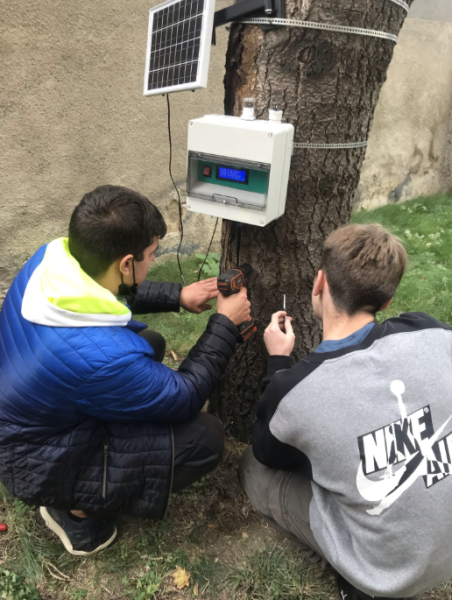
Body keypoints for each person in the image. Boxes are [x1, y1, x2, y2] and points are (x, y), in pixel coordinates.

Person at [0, 185, 250, 556]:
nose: (153, 261)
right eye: (152, 255)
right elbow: (185, 397)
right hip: (36, 462)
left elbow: (106, 292)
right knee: (205, 438)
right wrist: (225, 325)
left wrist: (176, 296)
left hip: (32, 421)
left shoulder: (52, 259)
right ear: (127, 264)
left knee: (149, 343)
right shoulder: (102, 359)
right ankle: (75, 512)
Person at [240, 223, 452, 600]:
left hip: (386, 576)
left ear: (319, 283)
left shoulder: (295, 389)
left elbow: (266, 451)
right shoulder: (434, 332)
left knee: (254, 470)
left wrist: (277, 363)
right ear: (386, 302)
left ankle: (356, 579)